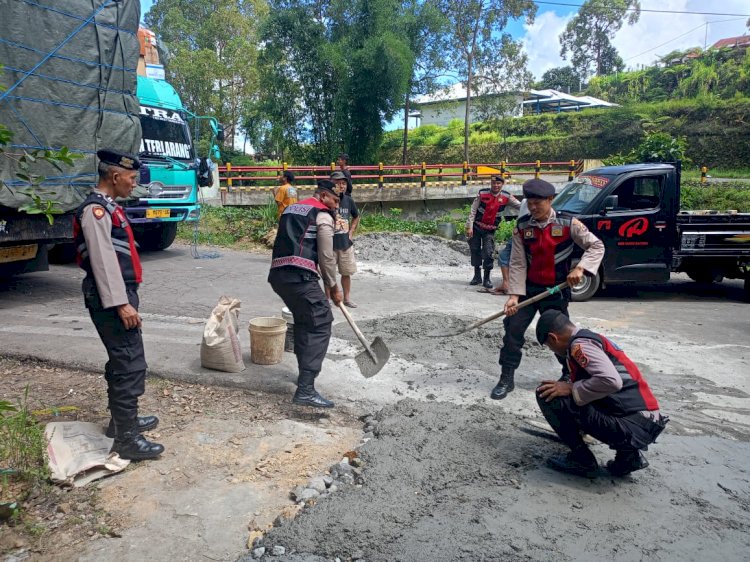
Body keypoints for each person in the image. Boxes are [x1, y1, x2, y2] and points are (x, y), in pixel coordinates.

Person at [73, 149, 164, 460]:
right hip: (111, 298)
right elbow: (102, 261)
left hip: (118, 294)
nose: (134, 183)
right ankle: (126, 439)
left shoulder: (108, 208)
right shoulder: (95, 211)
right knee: (130, 364)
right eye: (131, 178)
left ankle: (120, 422)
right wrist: (121, 304)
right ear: (114, 177)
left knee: (122, 360)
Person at [492, 178, 604, 401]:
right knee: (512, 330)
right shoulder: (523, 227)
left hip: (555, 291)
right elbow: (517, 262)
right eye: (529, 203)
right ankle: (506, 378)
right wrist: (514, 295)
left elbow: (596, 245)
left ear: (550, 200)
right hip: (529, 291)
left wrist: (580, 269)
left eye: (537, 203)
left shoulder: (568, 224)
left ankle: (569, 376)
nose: (533, 208)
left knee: (562, 337)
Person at [535, 310, 668, 477]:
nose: (553, 350)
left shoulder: (579, 346)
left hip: (632, 426)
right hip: (647, 422)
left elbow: (611, 380)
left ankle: (582, 460)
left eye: (549, 346)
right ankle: (628, 458)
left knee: (546, 395)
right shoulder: (589, 338)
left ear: (553, 338)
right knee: (575, 393)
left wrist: (571, 388)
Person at [268, 180, 342, 408]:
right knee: (320, 321)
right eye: (335, 200)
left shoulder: (292, 208)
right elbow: (327, 255)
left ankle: (304, 379)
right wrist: (333, 285)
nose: (336, 205)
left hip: (279, 275)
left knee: (304, 321)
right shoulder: (322, 215)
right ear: (323, 196)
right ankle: (306, 390)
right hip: (300, 276)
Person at [466, 175, 521, 289]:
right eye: (494, 183)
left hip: (490, 230)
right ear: (491, 184)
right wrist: (469, 226)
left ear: (502, 184)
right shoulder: (482, 193)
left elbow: (520, 206)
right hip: (476, 227)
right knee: (474, 250)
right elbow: (473, 210)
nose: (496, 185)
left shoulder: (507, 197)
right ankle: (477, 276)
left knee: (488, 252)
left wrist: (533, 207)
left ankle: (487, 278)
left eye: (498, 183)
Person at [324, 171, 360, 308]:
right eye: (338, 183)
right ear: (331, 184)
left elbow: (356, 216)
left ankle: (347, 299)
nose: (341, 186)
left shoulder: (348, 200)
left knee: (346, 273)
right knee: (329, 275)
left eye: (344, 183)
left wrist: (351, 232)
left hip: (345, 245)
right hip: (329, 245)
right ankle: (327, 300)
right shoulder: (326, 200)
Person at [491, 198, 529, 295]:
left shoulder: (534, 202)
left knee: (513, 258)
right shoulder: (525, 201)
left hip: (527, 233)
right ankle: (507, 284)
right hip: (520, 232)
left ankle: (511, 286)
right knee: (505, 256)